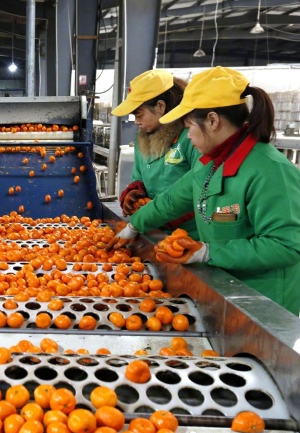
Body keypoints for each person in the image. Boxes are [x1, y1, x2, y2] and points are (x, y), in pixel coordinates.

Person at [110, 67, 300, 315]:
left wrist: (208, 251)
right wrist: (134, 226)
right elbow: (170, 201)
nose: (187, 136)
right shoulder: (211, 164)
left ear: (212, 120)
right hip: (225, 289)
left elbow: (286, 246)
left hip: (266, 302)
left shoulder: (271, 171)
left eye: (189, 126)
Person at [111, 69, 200, 237]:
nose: (136, 122)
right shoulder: (142, 138)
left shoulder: (190, 137)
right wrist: (133, 194)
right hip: (153, 229)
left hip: (190, 236)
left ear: (160, 106)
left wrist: (164, 215)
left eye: (139, 115)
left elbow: (201, 187)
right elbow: (139, 177)